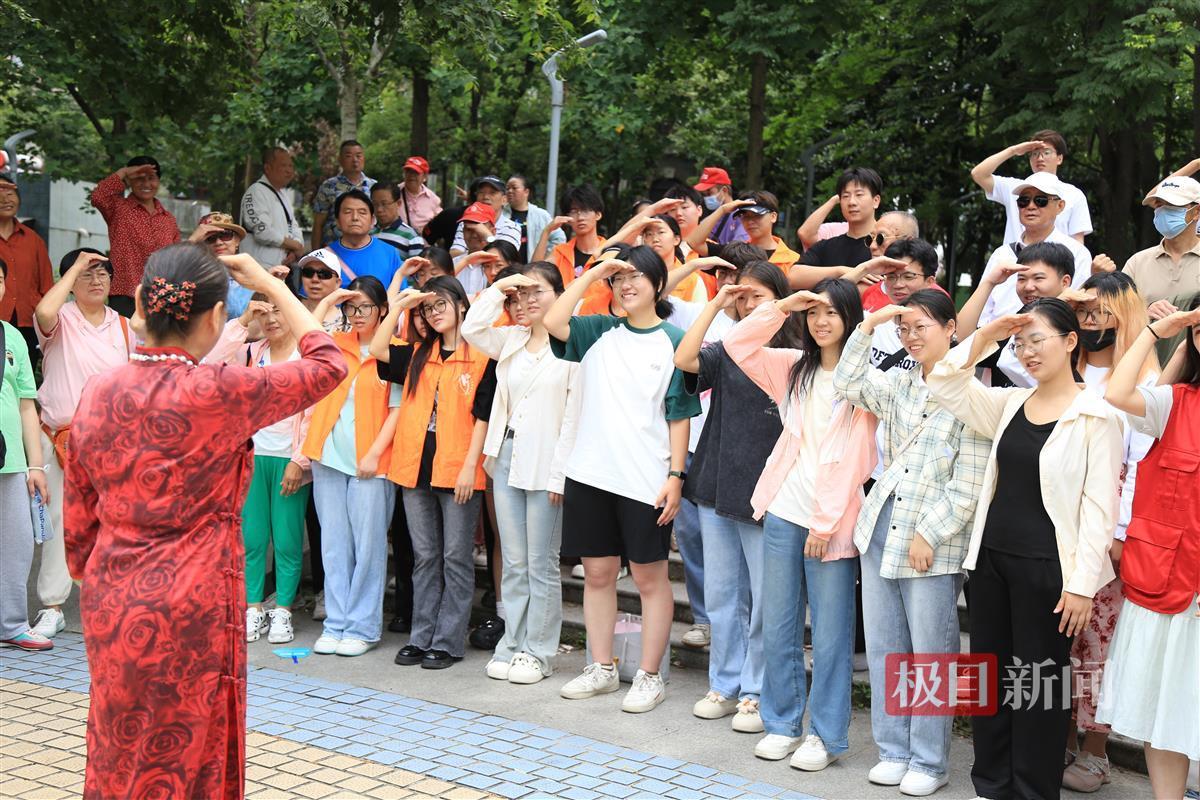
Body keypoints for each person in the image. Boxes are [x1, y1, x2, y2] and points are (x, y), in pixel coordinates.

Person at [64, 246, 346, 798]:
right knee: (188, 750)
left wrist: (92, 574)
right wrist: (272, 283)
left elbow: (79, 519)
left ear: (141, 302)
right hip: (192, 599)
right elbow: (328, 363)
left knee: (119, 742)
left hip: (112, 594)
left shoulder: (98, 390)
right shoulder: (218, 391)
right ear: (217, 316)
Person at [924, 298, 1123, 800]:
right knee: (990, 681)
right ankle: (991, 785)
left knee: (1039, 689)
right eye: (1019, 344)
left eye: (1037, 340)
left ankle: (1033, 790)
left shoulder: (1096, 417)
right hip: (990, 562)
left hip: (1049, 574)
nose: (1027, 352)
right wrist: (987, 336)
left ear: (1071, 341)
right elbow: (944, 380)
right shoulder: (1009, 403)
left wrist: (1082, 585)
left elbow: (1100, 509)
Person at [834, 290, 990, 796]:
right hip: (881, 525)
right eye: (904, 329)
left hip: (931, 539)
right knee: (886, 648)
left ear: (951, 328)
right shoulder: (900, 381)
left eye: (922, 326)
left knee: (931, 653)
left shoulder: (971, 393)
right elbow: (847, 381)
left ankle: (928, 760)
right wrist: (869, 325)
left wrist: (931, 532)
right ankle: (893, 750)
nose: (911, 336)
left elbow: (969, 483)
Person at [722, 278, 876, 771]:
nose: (821, 321)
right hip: (785, 511)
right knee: (779, 625)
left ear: (850, 318)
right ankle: (783, 723)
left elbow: (858, 459)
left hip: (832, 521)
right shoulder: (793, 368)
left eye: (831, 312)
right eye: (813, 313)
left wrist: (824, 524)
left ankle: (825, 735)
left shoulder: (864, 381)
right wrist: (783, 306)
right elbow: (736, 344)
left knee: (830, 635)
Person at [545, 244, 700, 713]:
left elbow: (679, 414)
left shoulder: (674, 340)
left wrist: (676, 476)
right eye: (619, 278)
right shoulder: (597, 331)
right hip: (590, 473)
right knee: (597, 574)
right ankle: (601, 667)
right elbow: (553, 321)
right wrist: (593, 273)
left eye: (636, 276)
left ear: (658, 284)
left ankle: (650, 675)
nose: (626, 285)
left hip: (645, 478)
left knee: (651, 578)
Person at [673, 261, 801, 734]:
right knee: (723, 594)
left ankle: (756, 689)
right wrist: (716, 304)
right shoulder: (727, 348)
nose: (747, 305)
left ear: (781, 301)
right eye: (742, 297)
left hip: (768, 491)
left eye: (758, 296)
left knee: (767, 598)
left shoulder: (797, 354)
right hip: (715, 482)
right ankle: (724, 683)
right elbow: (684, 360)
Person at [1059, 271, 1159, 793]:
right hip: (1057, 520)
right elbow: (1015, 349)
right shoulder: (1060, 364)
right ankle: (1054, 738)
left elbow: (1140, 464)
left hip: (1109, 527)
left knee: (1097, 642)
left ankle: (1094, 751)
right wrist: (1065, 300)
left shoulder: (1145, 378)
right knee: (1056, 639)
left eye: (1102, 312)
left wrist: (1119, 533)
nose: (1091, 320)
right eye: (1084, 311)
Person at [1099, 297, 1200, 800]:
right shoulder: (1175, 402)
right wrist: (1161, 333)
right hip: (1168, 581)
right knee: (1165, 710)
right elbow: (1117, 392)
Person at [461, 264, 579, 683]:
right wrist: (498, 288)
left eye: (537, 292)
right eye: (521, 295)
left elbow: (574, 418)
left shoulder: (574, 344)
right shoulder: (511, 338)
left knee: (541, 562)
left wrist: (560, 475)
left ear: (559, 295)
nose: (526, 301)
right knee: (513, 561)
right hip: (506, 453)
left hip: (548, 460)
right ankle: (511, 643)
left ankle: (538, 651)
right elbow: (472, 328)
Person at [374, 277, 495, 670]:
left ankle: (447, 641)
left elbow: (483, 416)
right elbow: (376, 348)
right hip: (414, 468)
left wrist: (469, 467)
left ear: (461, 304)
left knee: (456, 558)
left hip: (458, 468)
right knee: (425, 556)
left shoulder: (482, 354)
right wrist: (400, 305)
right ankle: (420, 636)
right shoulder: (417, 354)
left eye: (441, 303)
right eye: (428, 308)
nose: (433, 312)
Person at [30, 249, 135, 641]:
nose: (96, 279)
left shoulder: (124, 326)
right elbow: (42, 312)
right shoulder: (61, 317)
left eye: (103, 272)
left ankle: (110, 602)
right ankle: (53, 606)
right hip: (60, 439)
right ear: (70, 281)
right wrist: (75, 267)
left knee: (113, 523)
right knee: (59, 521)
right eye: (87, 274)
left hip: (111, 442)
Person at [207, 292, 319, 646]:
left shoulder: (307, 356)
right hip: (253, 456)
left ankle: (283, 610)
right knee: (252, 539)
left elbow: (315, 412)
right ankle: (252, 608)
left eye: (278, 311)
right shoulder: (251, 353)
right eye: (263, 313)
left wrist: (300, 461)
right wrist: (243, 321)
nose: (271, 320)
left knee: (287, 541)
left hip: (289, 460)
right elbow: (211, 362)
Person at [301, 276, 400, 657]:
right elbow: (305, 337)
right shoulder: (335, 344)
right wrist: (330, 301)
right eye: (352, 307)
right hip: (328, 455)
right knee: (333, 544)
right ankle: (335, 623)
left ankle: (362, 627)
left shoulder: (393, 350)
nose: (358, 314)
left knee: (368, 547)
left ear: (382, 310)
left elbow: (399, 408)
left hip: (372, 461)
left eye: (366, 307)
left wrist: (375, 453)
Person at [0, 255, 53, 652]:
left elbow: (26, 406)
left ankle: (12, 623)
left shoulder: (12, 337)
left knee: (16, 545)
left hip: (11, 461)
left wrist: (35, 465)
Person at [975, 173, 1094, 325]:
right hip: (995, 337)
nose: (1031, 206)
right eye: (1024, 201)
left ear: (1060, 206)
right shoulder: (1001, 254)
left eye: (1040, 200)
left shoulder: (1077, 253)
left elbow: (1076, 308)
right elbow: (982, 313)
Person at [1121, 175, 1200, 362]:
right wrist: (1144, 313)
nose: (1163, 211)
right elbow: (1115, 320)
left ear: (1196, 212)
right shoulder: (1136, 263)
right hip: (1145, 373)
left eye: (1172, 205)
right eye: (1159, 205)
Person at [89, 156, 181, 315]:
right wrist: (124, 171)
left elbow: (177, 258)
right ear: (129, 181)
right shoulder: (118, 208)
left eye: (151, 178)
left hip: (162, 296)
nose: (146, 184)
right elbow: (98, 196)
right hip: (124, 295)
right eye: (139, 178)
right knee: (123, 332)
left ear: (159, 181)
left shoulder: (169, 219)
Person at [970, 131, 1092, 246]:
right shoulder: (1015, 188)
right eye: (1034, 154)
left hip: (1056, 260)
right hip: (1015, 260)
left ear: (1059, 158)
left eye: (1046, 152)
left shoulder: (1074, 195)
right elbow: (978, 174)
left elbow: (1077, 242)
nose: (1040, 158)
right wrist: (1013, 150)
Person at [0, 174, 54, 362]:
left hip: (28, 322)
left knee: (25, 373)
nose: (5, 199)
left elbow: (46, 285)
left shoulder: (33, 240)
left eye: (10, 194)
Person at [799, 167, 882, 268]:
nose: (851, 202)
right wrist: (841, 271)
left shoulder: (886, 243)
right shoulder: (826, 246)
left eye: (859, 195)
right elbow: (794, 274)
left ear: (876, 201)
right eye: (845, 196)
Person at [239, 147, 305, 269]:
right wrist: (295, 245)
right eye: (284, 165)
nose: (289, 170)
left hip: (280, 268)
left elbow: (294, 227)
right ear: (267, 168)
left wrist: (294, 251)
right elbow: (262, 232)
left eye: (291, 166)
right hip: (257, 268)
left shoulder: (283, 195)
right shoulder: (256, 192)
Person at [706, 191, 799, 271]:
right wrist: (722, 210)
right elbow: (697, 243)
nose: (750, 221)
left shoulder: (793, 261)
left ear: (773, 216)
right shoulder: (735, 252)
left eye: (757, 215)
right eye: (745, 216)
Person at [328, 190, 403, 289]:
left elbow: (401, 294)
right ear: (337, 221)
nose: (355, 217)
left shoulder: (390, 253)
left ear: (372, 220)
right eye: (348, 212)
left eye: (362, 212)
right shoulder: (324, 257)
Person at [533, 184, 607, 285]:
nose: (580, 217)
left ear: (598, 214)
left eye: (585, 210)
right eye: (574, 211)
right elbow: (534, 275)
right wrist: (546, 232)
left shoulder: (610, 251)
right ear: (567, 218)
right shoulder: (561, 252)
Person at [188, 211, 255, 318]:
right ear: (201, 245)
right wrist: (192, 241)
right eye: (210, 238)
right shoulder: (195, 275)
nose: (218, 242)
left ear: (237, 241)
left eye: (225, 235)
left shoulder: (254, 271)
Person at [312, 139, 374, 249]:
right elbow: (318, 224)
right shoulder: (329, 186)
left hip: (366, 249)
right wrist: (315, 254)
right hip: (333, 249)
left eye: (358, 156)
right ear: (340, 160)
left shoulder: (373, 186)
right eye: (349, 156)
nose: (355, 160)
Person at [450, 175, 521, 256]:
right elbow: (454, 254)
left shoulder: (511, 227)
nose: (485, 197)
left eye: (492, 193)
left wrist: (486, 235)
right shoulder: (466, 222)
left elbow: (503, 257)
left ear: (504, 200)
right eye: (481, 192)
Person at [503, 174, 565, 262]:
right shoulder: (501, 213)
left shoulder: (541, 215)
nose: (510, 191)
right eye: (507, 188)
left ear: (526, 192)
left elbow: (559, 238)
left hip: (531, 267)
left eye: (514, 188)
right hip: (507, 267)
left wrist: (544, 258)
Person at [371, 181, 427, 261]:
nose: (379, 209)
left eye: (384, 204)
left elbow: (416, 268)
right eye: (375, 204)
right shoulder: (368, 233)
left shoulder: (412, 237)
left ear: (398, 203)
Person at [694, 167, 748, 246]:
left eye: (709, 193)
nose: (706, 198)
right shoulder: (713, 216)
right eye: (704, 194)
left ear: (724, 190)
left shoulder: (740, 216)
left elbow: (740, 249)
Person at [397, 155, 442, 233]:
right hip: (396, 239)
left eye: (416, 172)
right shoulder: (393, 193)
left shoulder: (433, 199)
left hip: (422, 240)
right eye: (408, 171)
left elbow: (440, 224)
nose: (411, 175)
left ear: (425, 176)